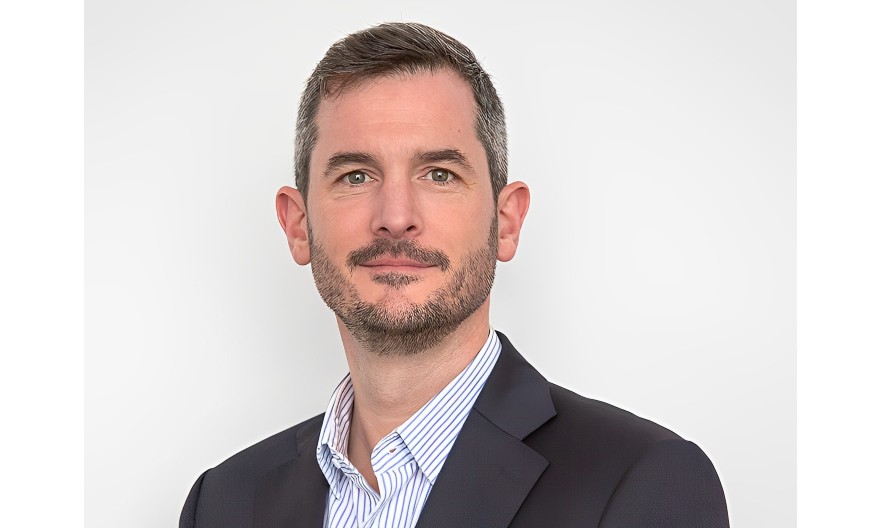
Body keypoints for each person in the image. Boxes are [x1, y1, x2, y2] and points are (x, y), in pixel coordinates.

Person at [180, 22, 729, 528]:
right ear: (298, 225)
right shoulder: (223, 503)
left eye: (439, 174)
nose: (396, 216)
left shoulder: (644, 483)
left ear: (506, 222)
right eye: (356, 175)